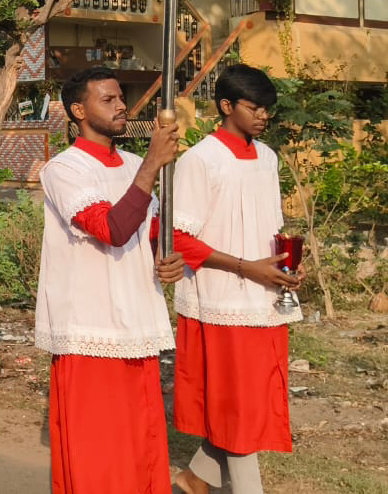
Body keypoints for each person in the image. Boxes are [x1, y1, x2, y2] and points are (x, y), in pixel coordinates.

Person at [35, 67, 183, 493]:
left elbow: (148, 235)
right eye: (108, 100)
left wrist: (166, 261)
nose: (121, 106)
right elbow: (112, 230)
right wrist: (154, 163)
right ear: (79, 110)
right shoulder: (63, 169)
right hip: (89, 326)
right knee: (97, 451)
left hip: (136, 319)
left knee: (141, 444)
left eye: (121, 98)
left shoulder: (136, 165)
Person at [171, 65, 300, 494]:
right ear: (226, 106)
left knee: (250, 403)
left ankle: (194, 478)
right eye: (253, 107)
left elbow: (271, 227)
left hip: (265, 298)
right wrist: (248, 267)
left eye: (267, 109)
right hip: (220, 301)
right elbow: (178, 239)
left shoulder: (267, 157)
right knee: (240, 410)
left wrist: (284, 268)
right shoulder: (199, 160)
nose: (263, 116)